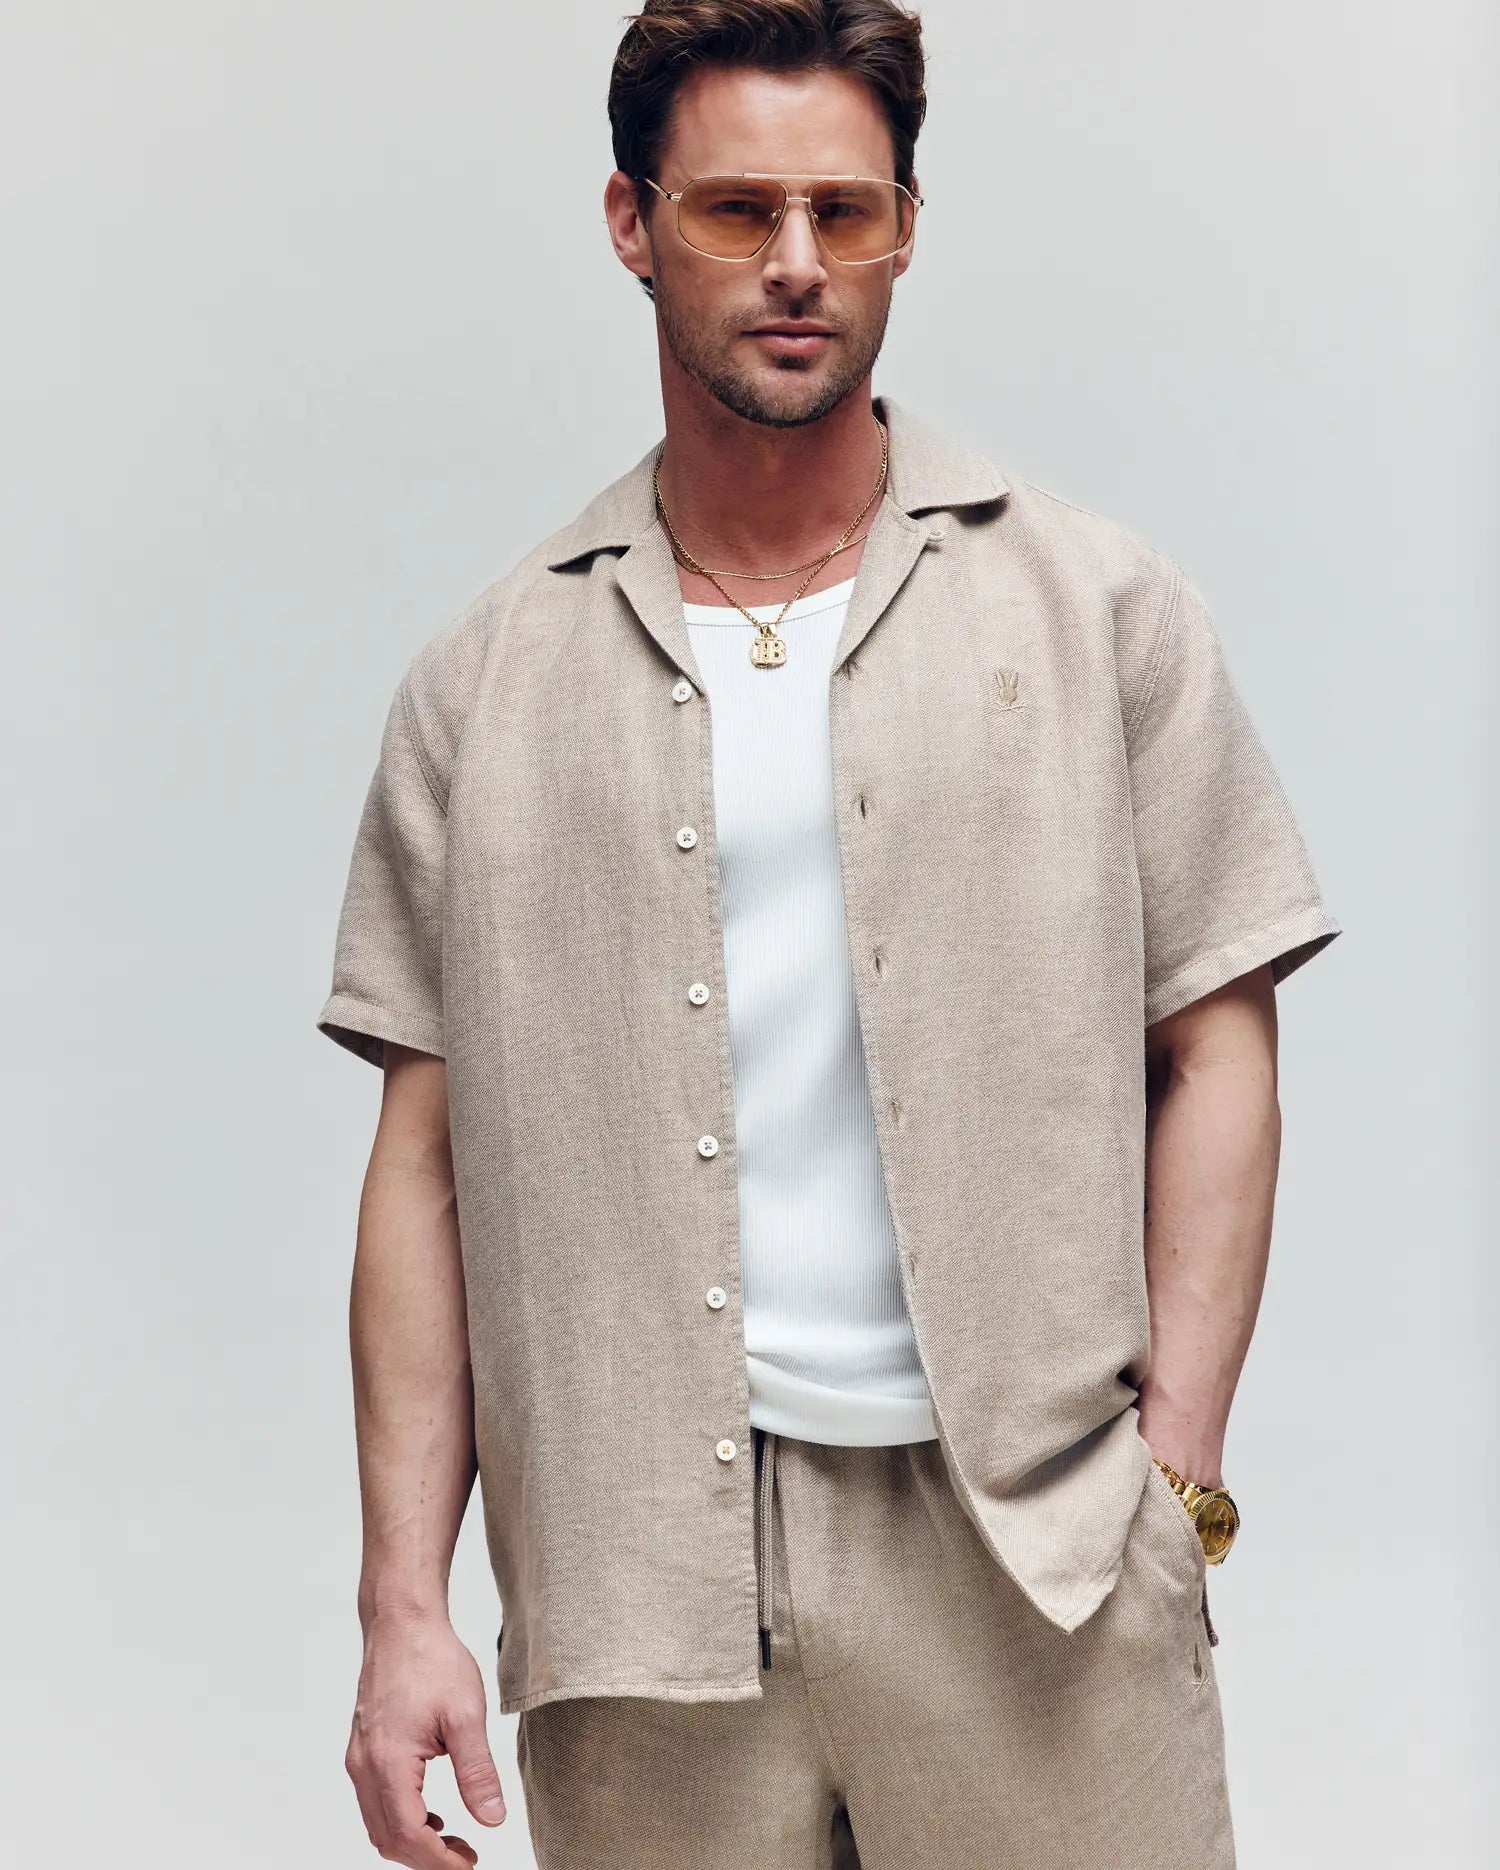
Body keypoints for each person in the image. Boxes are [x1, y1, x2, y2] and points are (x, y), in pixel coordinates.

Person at [316, 3, 1342, 1865]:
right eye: (736, 210)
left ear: (905, 229)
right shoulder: (486, 684)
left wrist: (1172, 1475)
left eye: (845, 213)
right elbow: (423, 1164)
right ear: (631, 223)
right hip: (640, 1587)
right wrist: (405, 1609)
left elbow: (1221, 1039)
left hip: (1036, 1564)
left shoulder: (1098, 609)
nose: (797, 263)